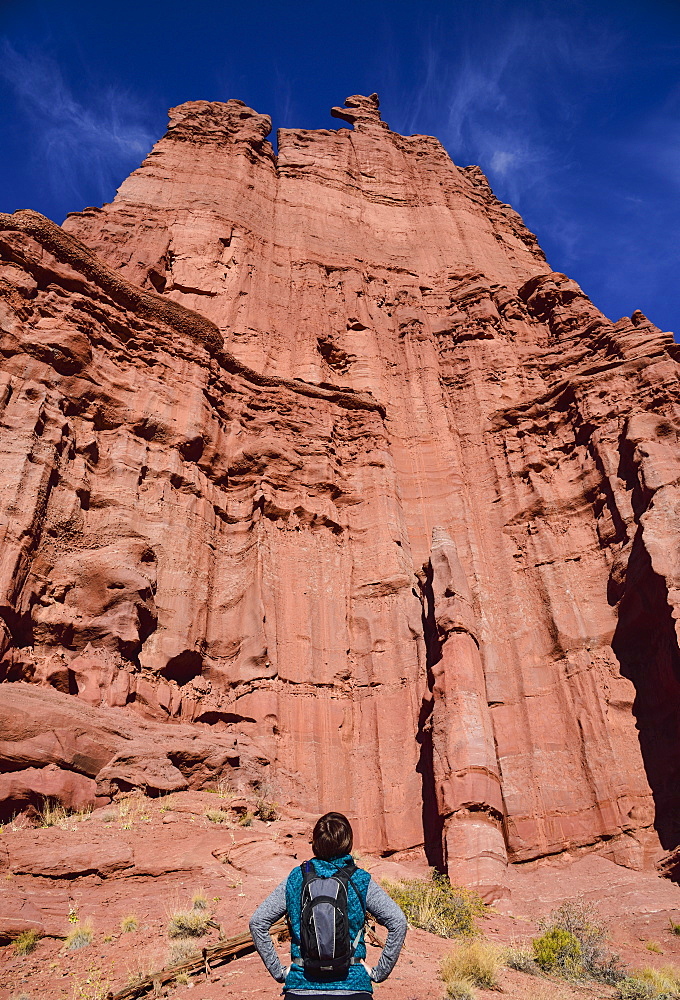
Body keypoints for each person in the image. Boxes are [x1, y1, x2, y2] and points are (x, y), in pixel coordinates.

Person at [250, 811, 407, 998]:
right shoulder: (359, 879)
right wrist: (378, 973)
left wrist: (279, 971)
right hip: (352, 986)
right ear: (348, 842)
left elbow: (258, 922)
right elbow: (398, 922)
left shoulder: (296, 877)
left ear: (315, 843)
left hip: (301, 985)